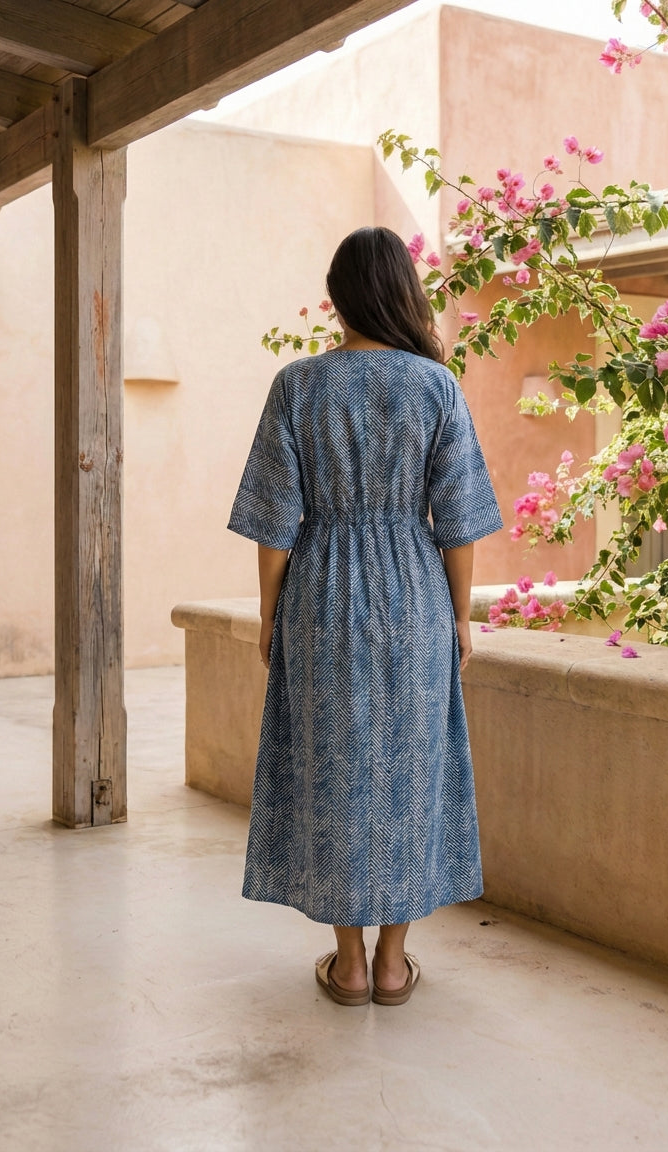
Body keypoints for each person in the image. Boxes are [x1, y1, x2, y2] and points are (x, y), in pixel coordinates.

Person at [227, 226, 503, 1006]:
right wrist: (458, 618)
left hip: (320, 597)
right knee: (412, 770)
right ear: (403, 293)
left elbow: (275, 523)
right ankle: (392, 963)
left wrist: (269, 614)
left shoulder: (298, 385)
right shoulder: (435, 387)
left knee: (331, 768)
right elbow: (459, 522)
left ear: (340, 296)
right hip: (414, 594)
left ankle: (346, 963)